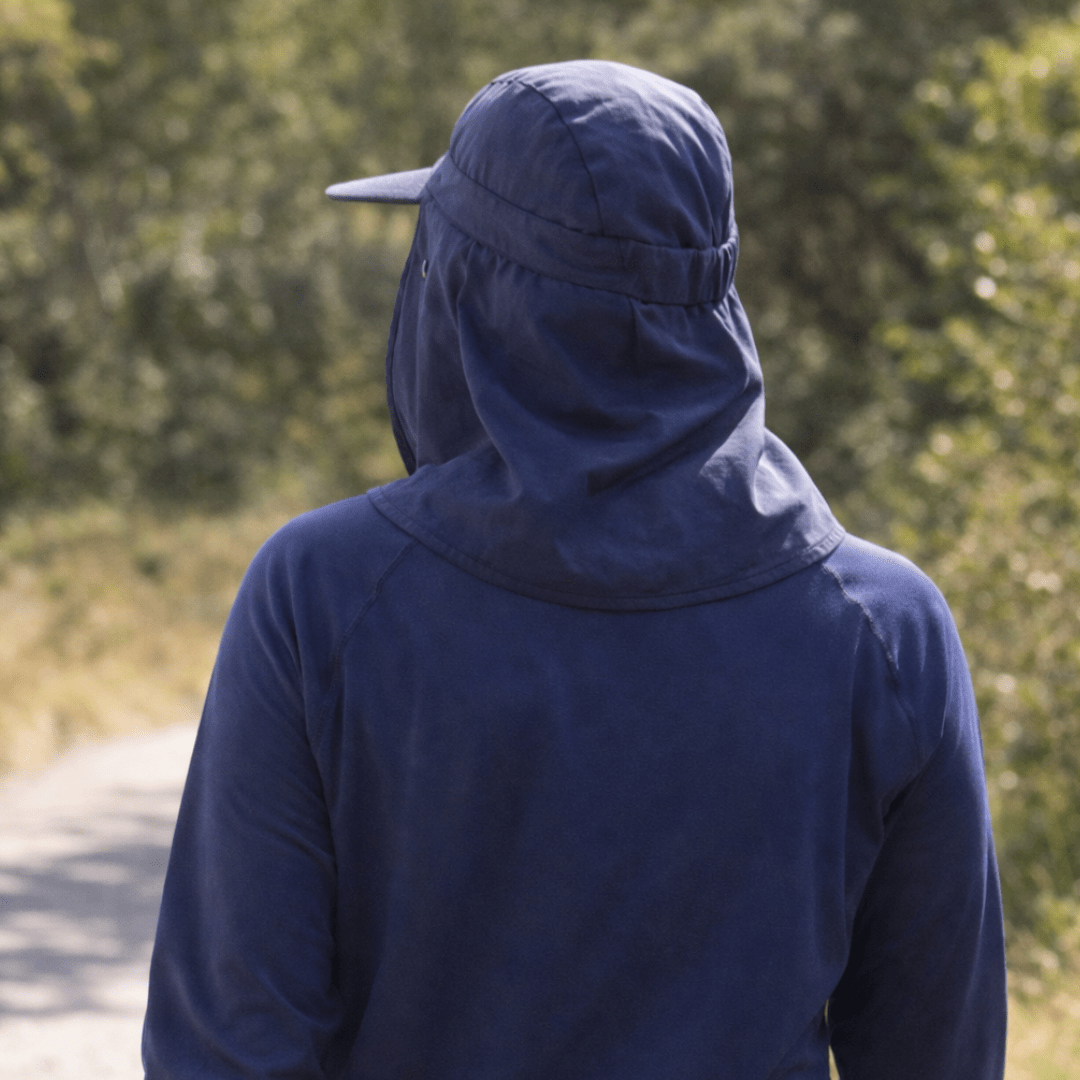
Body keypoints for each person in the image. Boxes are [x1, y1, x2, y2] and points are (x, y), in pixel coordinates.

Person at [142, 60, 1006, 1079]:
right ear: (713, 300)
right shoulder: (883, 630)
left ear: (463, 295)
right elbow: (939, 1057)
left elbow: (225, 1052)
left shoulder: (323, 596)